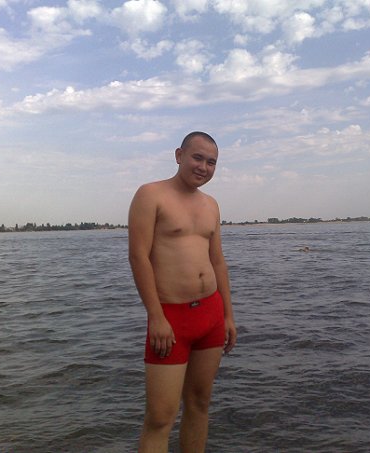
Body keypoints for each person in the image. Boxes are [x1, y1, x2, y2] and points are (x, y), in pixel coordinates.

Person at [128, 131, 237, 453]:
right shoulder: (151, 195)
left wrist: (228, 316)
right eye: (197, 157)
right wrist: (156, 317)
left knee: (199, 404)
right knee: (160, 417)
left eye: (211, 162)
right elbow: (138, 257)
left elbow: (218, 261)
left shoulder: (211, 205)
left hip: (211, 314)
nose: (203, 167)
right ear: (179, 156)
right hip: (171, 318)